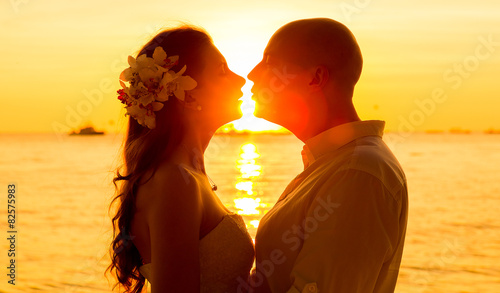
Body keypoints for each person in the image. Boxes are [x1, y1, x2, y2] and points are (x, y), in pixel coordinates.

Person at [246, 18, 408, 293]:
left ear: (316, 78)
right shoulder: (333, 163)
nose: (252, 74)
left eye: (269, 62)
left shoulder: (357, 173)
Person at [107, 26, 254, 293]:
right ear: (186, 94)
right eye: (222, 71)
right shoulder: (175, 181)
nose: (240, 79)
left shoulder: (188, 174)